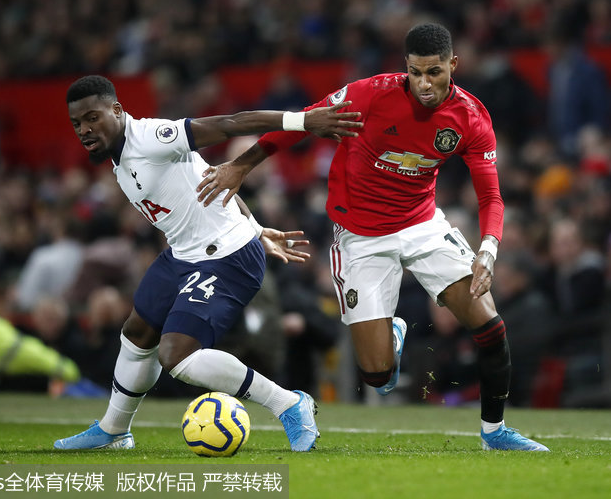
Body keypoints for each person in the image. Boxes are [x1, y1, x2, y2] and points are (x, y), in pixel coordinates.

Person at [197, 23, 549, 451]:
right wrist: (242, 165)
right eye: (415, 72)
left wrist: (489, 249)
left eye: (434, 72)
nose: (424, 83)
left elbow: (491, 195)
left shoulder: (471, 117)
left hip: (422, 225)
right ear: (406, 67)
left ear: (453, 65)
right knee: (377, 375)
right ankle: (391, 336)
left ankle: (494, 433)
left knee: (490, 326)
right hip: (360, 236)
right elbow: (301, 123)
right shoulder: (368, 95)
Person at [53, 75, 361, 452]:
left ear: (116, 110)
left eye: (92, 118)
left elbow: (230, 123)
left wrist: (302, 121)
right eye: (77, 123)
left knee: (176, 356)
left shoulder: (151, 138)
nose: (84, 129)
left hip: (227, 257)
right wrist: (256, 228)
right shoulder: (121, 159)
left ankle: (289, 403)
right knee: (137, 332)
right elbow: (211, 179)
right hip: (184, 254)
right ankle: (114, 429)